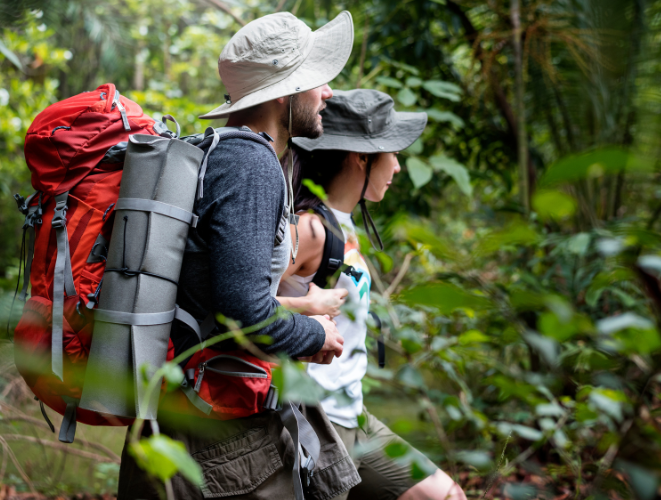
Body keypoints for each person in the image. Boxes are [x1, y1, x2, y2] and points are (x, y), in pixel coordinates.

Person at [118, 11, 363, 500]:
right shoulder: (251, 164)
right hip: (220, 440)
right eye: (315, 80)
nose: (327, 93)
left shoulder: (224, 152)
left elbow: (220, 293)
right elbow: (244, 313)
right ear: (284, 92)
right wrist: (315, 333)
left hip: (193, 414)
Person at [279, 89, 467, 500]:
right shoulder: (309, 229)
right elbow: (240, 303)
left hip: (355, 415)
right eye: (392, 153)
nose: (397, 166)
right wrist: (306, 306)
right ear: (360, 157)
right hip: (318, 424)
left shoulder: (341, 226)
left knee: (448, 495)